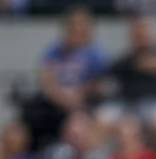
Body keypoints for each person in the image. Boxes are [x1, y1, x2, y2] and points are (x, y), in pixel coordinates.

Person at [104, 16, 156, 159]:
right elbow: (112, 72)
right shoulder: (126, 58)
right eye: (137, 35)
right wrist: (139, 64)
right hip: (130, 105)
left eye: (143, 34)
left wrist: (143, 64)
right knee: (104, 118)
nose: (140, 38)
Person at [25, 7, 106, 151]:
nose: (76, 29)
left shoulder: (95, 53)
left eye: (81, 25)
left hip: (83, 105)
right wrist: (62, 97)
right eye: (73, 25)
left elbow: (99, 83)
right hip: (55, 105)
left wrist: (79, 95)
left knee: (77, 127)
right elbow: (46, 79)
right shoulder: (54, 51)